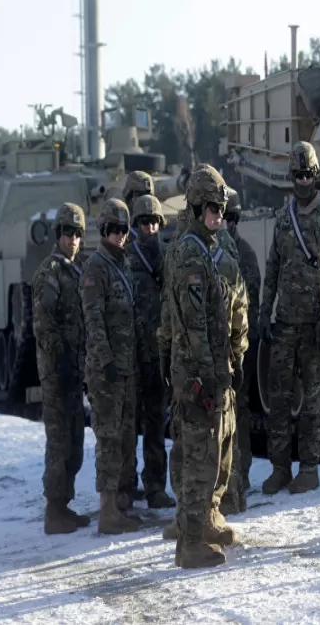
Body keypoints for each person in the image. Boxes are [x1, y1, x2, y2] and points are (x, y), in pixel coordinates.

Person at [163, 164, 236, 569]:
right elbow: (194, 328)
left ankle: (201, 526)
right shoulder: (191, 252)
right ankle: (189, 542)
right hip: (196, 375)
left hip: (200, 371)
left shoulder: (197, 246)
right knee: (198, 459)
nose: (218, 215)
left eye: (222, 208)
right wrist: (210, 379)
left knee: (206, 456)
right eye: (211, 207)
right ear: (194, 206)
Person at [259, 142, 320, 495]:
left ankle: (308, 468)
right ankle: (279, 467)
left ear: (315, 176)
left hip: (313, 324)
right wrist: (264, 311)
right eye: (298, 175)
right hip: (285, 322)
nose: (303, 181)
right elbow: (272, 267)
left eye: (308, 174)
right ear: (291, 177)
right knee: (279, 397)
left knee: (313, 400)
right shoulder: (282, 218)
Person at [81, 198, 147, 535]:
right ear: (103, 230)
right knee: (108, 437)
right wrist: (105, 361)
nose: (120, 235)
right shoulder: (96, 267)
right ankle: (107, 510)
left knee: (123, 437)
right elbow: (93, 321)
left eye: (124, 229)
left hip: (125, 368)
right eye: (114, 229)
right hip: (107, 370)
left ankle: (119, 503)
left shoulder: (123, 264)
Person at [31, 203, 89, 534]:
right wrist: (63, 361)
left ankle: (63, 504)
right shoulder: (50, 273)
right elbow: (44, 325)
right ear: (58, 235)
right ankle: (54, 510)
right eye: (68, 233)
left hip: (73, 373)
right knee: (59, 442)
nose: (73, 239)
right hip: (57, 374)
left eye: (78, 234)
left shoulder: (73, 271)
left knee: (75, 443)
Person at [125, 193, 175, 509]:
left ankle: (156, 486)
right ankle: (127, 486)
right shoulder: (126, 258)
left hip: (158, 354)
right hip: (132, 354)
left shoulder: (167, 258)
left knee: (156, 424)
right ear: (136, 224)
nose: (150, 227)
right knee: (128, 427)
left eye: (155, 221)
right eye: (144, 222)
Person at [223, 188, 261, 501]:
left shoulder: (244, 254)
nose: (229, 223)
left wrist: (244, 349)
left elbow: (254, 306)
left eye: (233, 218)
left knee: (241, 413)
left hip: (239, 348)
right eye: (225, 216)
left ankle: (242, 475)